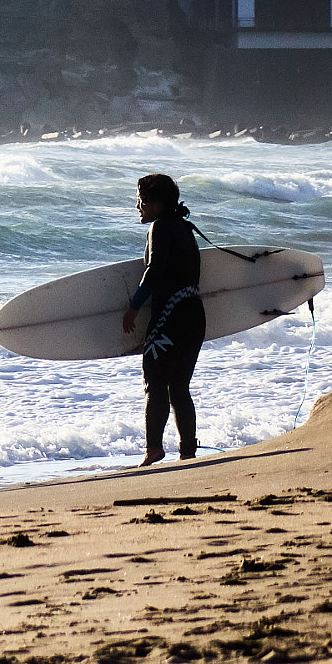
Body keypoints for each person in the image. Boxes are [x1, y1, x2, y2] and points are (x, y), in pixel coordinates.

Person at [121, 173, 203, 466]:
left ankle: (153, 449)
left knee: (155, 384)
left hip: (170, 318)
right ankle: (188, 451)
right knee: (179, 386)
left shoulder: (161, 227)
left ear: (157, 202)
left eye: (141, 200)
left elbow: (154, 270)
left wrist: (133, 307)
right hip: (194, 316)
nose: (138, 206)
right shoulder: (184, 226)